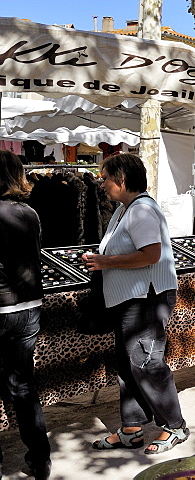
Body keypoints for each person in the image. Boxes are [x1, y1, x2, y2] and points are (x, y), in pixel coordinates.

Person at [82, 154, 188, 456]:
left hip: (146, 299)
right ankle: (131, 428)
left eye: (105, 178)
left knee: (146, 362)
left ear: (122, 180)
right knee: (129, 362)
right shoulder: (126, 210)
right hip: (131, 298)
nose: (101, 184)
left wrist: (104, 261)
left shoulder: (141, 210)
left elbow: (151, 254)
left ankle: (175, 426)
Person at [0, 150, 51, 479]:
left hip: (3, 306)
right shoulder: (29, 213)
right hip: (29, 307)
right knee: (23, 386)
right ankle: (40, 458)